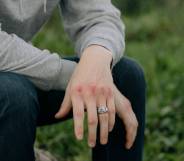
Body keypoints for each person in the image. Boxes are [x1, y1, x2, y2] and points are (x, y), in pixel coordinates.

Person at [0, 0, 146, 161]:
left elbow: (98, 15)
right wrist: (77, 75)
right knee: (14, 95)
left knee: (126, 76)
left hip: (19, 75)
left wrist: (98, 56)